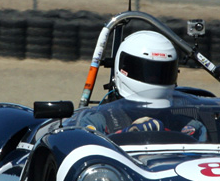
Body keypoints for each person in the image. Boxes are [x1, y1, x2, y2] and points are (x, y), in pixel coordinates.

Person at [70, 30, 207, 141]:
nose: (154, 79)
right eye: (147, 72)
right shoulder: (98, 121)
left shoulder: (188, 125)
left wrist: (166, 133)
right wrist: (127, 134)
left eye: (161, 73)